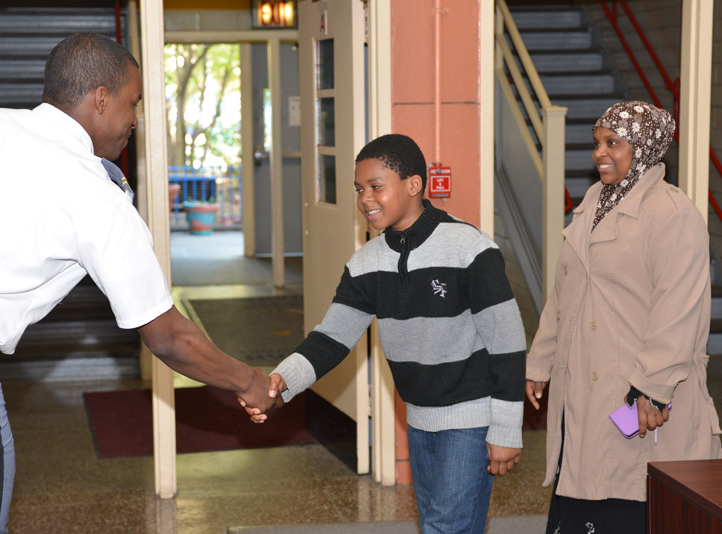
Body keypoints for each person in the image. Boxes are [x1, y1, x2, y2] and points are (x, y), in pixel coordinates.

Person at [0, 33, 277, 534]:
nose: (135, 119)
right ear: (102, 98)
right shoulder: (92, 188)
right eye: (133, 103)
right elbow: (170, 338)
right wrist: (250, 382)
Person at [243, 134, 527, 534]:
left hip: (472, 417)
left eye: (376, 186)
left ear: (413, 185)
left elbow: (508, 341)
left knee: (447, 527)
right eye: (359, 189)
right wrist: (280, 383)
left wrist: (505, 427)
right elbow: (331, 338)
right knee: (438, 525)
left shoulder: (469, 249)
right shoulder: (365, 264)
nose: (365, 198)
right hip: (418, 417)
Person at [526, 101, 722, 534]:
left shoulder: (674, 214)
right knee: (582, 489)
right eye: (597, 142)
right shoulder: (595, 201)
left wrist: (651, 388)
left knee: (627, 497)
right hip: (585, 389)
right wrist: (541, 361)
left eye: (613, 143)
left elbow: (680, 309)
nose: (600, 153)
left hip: (639, 394)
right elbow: (565, 289)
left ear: (646, 147)